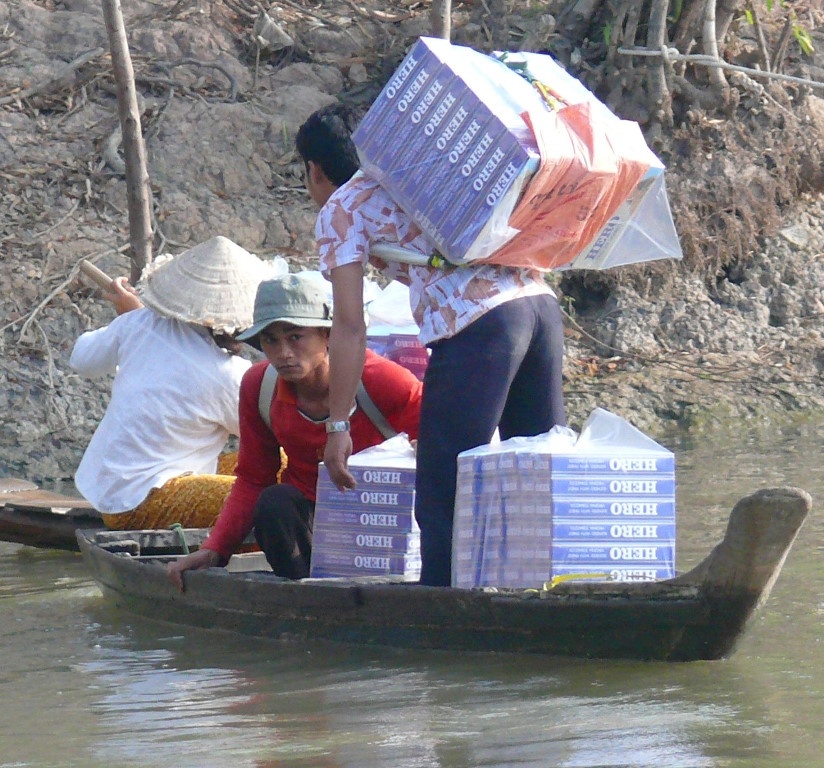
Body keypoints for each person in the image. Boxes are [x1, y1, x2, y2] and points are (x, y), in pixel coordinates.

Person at [295, 103, 567, 587]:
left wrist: (338, 426)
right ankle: (546, 597)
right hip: (540, 307)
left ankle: (443, 614)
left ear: (315, 170)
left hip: (480, 323)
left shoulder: (342, 206)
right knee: (534, 475)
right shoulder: (420, 174)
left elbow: (350, 326)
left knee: (444, 492)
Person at [166, 273, 422, 588]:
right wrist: (214, 550)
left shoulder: (381, 380)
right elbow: (253, 479)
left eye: (295, 337)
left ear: (327, 336)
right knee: (274, 503)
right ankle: (305, 595)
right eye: (271, 340)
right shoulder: (260, 387)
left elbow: (438, 447)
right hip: (309, 524)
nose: (283, 353)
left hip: (380, 521)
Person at [71, 235, 273, 530]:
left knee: (281, 465)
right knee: (276, 495)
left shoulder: (139, 322)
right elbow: (267, 435)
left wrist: (131, 321)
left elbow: (82, 359)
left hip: (114, 488)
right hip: (140, 502)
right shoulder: (229, 375)